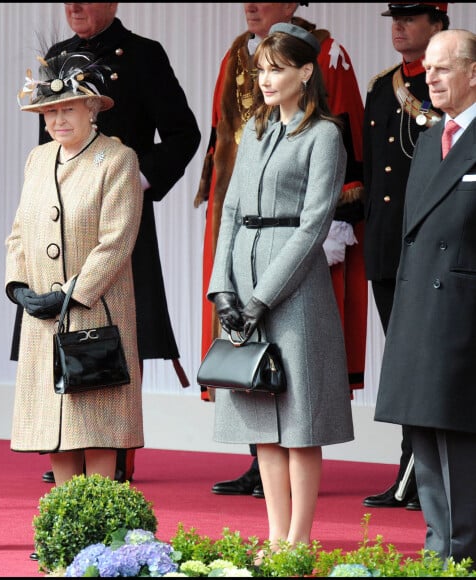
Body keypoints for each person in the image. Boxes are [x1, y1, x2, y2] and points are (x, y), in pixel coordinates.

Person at [13, 2, 201, 486]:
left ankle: (111, 458)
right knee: (57, 352)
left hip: (116, 215)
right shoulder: (57, 56)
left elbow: (184, 132)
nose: (74, 7)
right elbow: (49, 159)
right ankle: (66, 454)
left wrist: (135, 179)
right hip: (59, 230)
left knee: (109, 341)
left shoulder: (143, 55)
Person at [197, 1, 366, 500]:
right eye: (262, 70)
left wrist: (260, 299)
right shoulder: (254, 132)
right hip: (244, 279)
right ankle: (274, 541)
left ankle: (296, 542)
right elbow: (229, 211)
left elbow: (313, 226)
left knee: (298, 426)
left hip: (293, 291)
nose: (265, 80)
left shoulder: (325, 136)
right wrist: (222, 291)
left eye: (277, 69)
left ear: (306, 71)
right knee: (260, 422)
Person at [6, 51, 144, 485]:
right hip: (42, 318)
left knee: (96, 425)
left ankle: (97, 534)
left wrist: (70, 292)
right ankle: (64, 524)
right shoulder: (38, 159)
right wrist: (18, 287)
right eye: (49, 112)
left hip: (93, 310)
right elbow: (18, 233)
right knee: (54, 427)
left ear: (91, 108)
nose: (57, 120)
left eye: (67, 109)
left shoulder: (118, 160)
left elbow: (116, 241)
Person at [375, 27, 476, 566]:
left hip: (462, 317)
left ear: (473, 72)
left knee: (456, 444)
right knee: (425, 439)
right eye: (427, 68)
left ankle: (457, 556)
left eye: (442, 67)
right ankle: (442, 549)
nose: (429, 77)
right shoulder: (432, 139)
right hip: (421, 312)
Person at [362, 1, 449, 512]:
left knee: (428, 364)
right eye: (395, 17)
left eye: (411, 17)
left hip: (432, 247)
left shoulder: (451, 87)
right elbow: (375, 177)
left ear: (438, 23)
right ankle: (410, 472)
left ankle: (419, 475)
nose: (398, 26)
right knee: (400, 362)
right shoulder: (381, 88)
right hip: (389, 246)